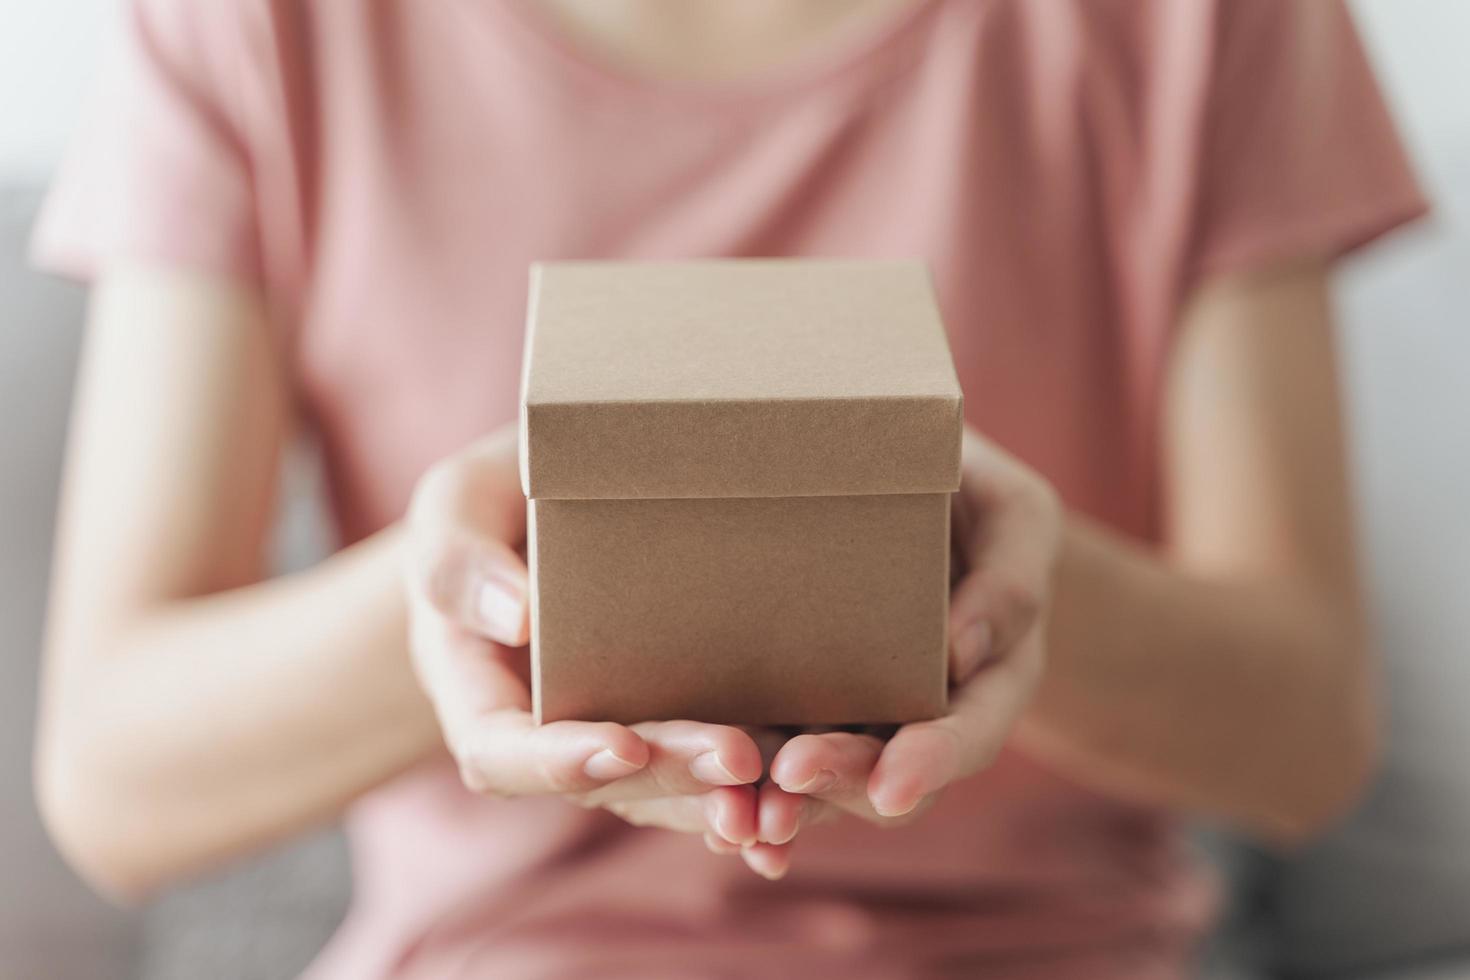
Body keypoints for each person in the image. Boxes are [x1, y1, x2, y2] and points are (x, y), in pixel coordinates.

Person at [30, 0, 1427, 976]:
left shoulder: (1202, 18)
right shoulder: (257, 21)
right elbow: (114, 779)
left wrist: (1006, 593)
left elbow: (1303, 738)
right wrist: (483, 596)